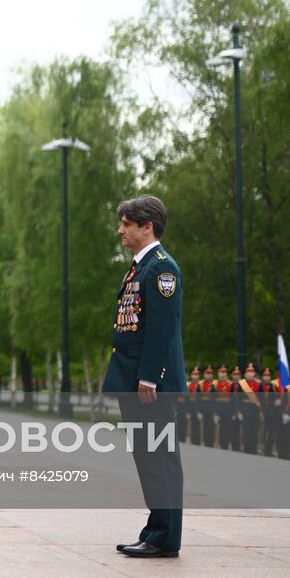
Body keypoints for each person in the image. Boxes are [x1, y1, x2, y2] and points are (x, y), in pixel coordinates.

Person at [103, 195, 185, 559]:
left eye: (126, 223)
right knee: (147, 456)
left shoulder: (161, 269)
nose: (120, 230)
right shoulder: (141, 267)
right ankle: (156, 529)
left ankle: (165, 536)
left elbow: (162, 331)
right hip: (135, 379)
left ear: (146, 226)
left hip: (150, 384)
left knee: (158, 457)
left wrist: (150, 377)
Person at [237, 364, 262, 454]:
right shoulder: (242, 384)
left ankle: (254, 449)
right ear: (245, 374)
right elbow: (238, 399)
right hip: (245, 409)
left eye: (252, 371)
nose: (250, 373)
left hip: (255, 410)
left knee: (254, 430)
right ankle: (246, 448)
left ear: (254, 373)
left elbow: (261, 399)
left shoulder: (259, 384)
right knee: (246, 430)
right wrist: (239, 411)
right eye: (248, 371)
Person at [258, 367, 283, 457]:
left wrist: (277, 401)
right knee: (262, 431)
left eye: (268, 375)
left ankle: (268, 450)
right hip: (261, 411)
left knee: (271, 432)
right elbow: (258, 399)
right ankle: (261, 447)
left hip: (271, 413)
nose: (267, 377)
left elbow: (276, 397)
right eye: (265, 375)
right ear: (262, 376)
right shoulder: (259, 386)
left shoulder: (273, 386)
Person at [186, 367, 203, 446]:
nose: (195, 376)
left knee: (199, 427)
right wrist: (187, 411)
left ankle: (198, 442)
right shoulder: (188, 386)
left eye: (197, 374)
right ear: (191, 376)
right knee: (192, 426)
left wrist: (201, 411)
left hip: (199, 410)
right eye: (193, 374)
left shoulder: (201, 386)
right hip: (191, 409)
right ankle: (193, 441)